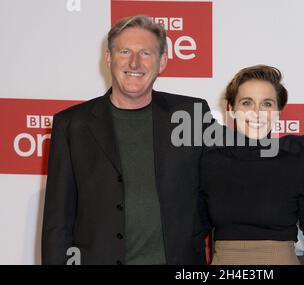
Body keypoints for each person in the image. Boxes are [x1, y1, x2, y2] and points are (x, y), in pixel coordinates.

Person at [41, 15, 212, 265]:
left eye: (146, 53)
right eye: (125, 51)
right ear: (109, 59)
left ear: (162, 61)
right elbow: (58, 222)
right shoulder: (71, 124)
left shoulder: (191, 115)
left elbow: (223, 186)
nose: (135, 62)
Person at [200, 65, 304, 265]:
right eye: (247, 103)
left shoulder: (297, 164)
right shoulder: (209, 163)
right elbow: (191, 230)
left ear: (278, 112)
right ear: (231, 109)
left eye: (267, 104)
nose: (257, 112)